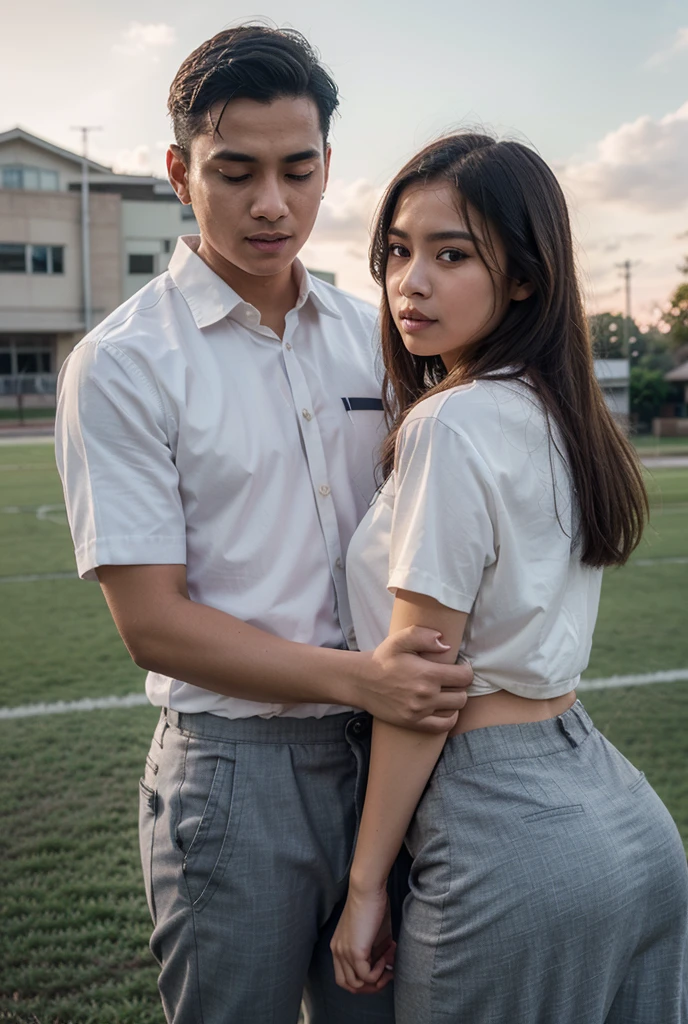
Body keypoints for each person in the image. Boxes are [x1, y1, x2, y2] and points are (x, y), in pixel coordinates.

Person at [55, 27, 473, 1024]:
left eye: (298, 169)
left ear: (328, 165)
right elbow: (153, 623)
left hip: (383, 764)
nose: (271, 204)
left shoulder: (373, 338)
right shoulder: (123, 364)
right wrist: (361, 678)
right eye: (234, 171)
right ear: (177, 172)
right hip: (232, 775)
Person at [331, 132, 688, 1023]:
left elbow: (423, 681)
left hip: (503, 827)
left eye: (451, 255)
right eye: (398, 252)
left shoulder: (451, 423)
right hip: (620, 813)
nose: (410, 281)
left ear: (525, 276)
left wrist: (368, 882)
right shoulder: (560, 412)